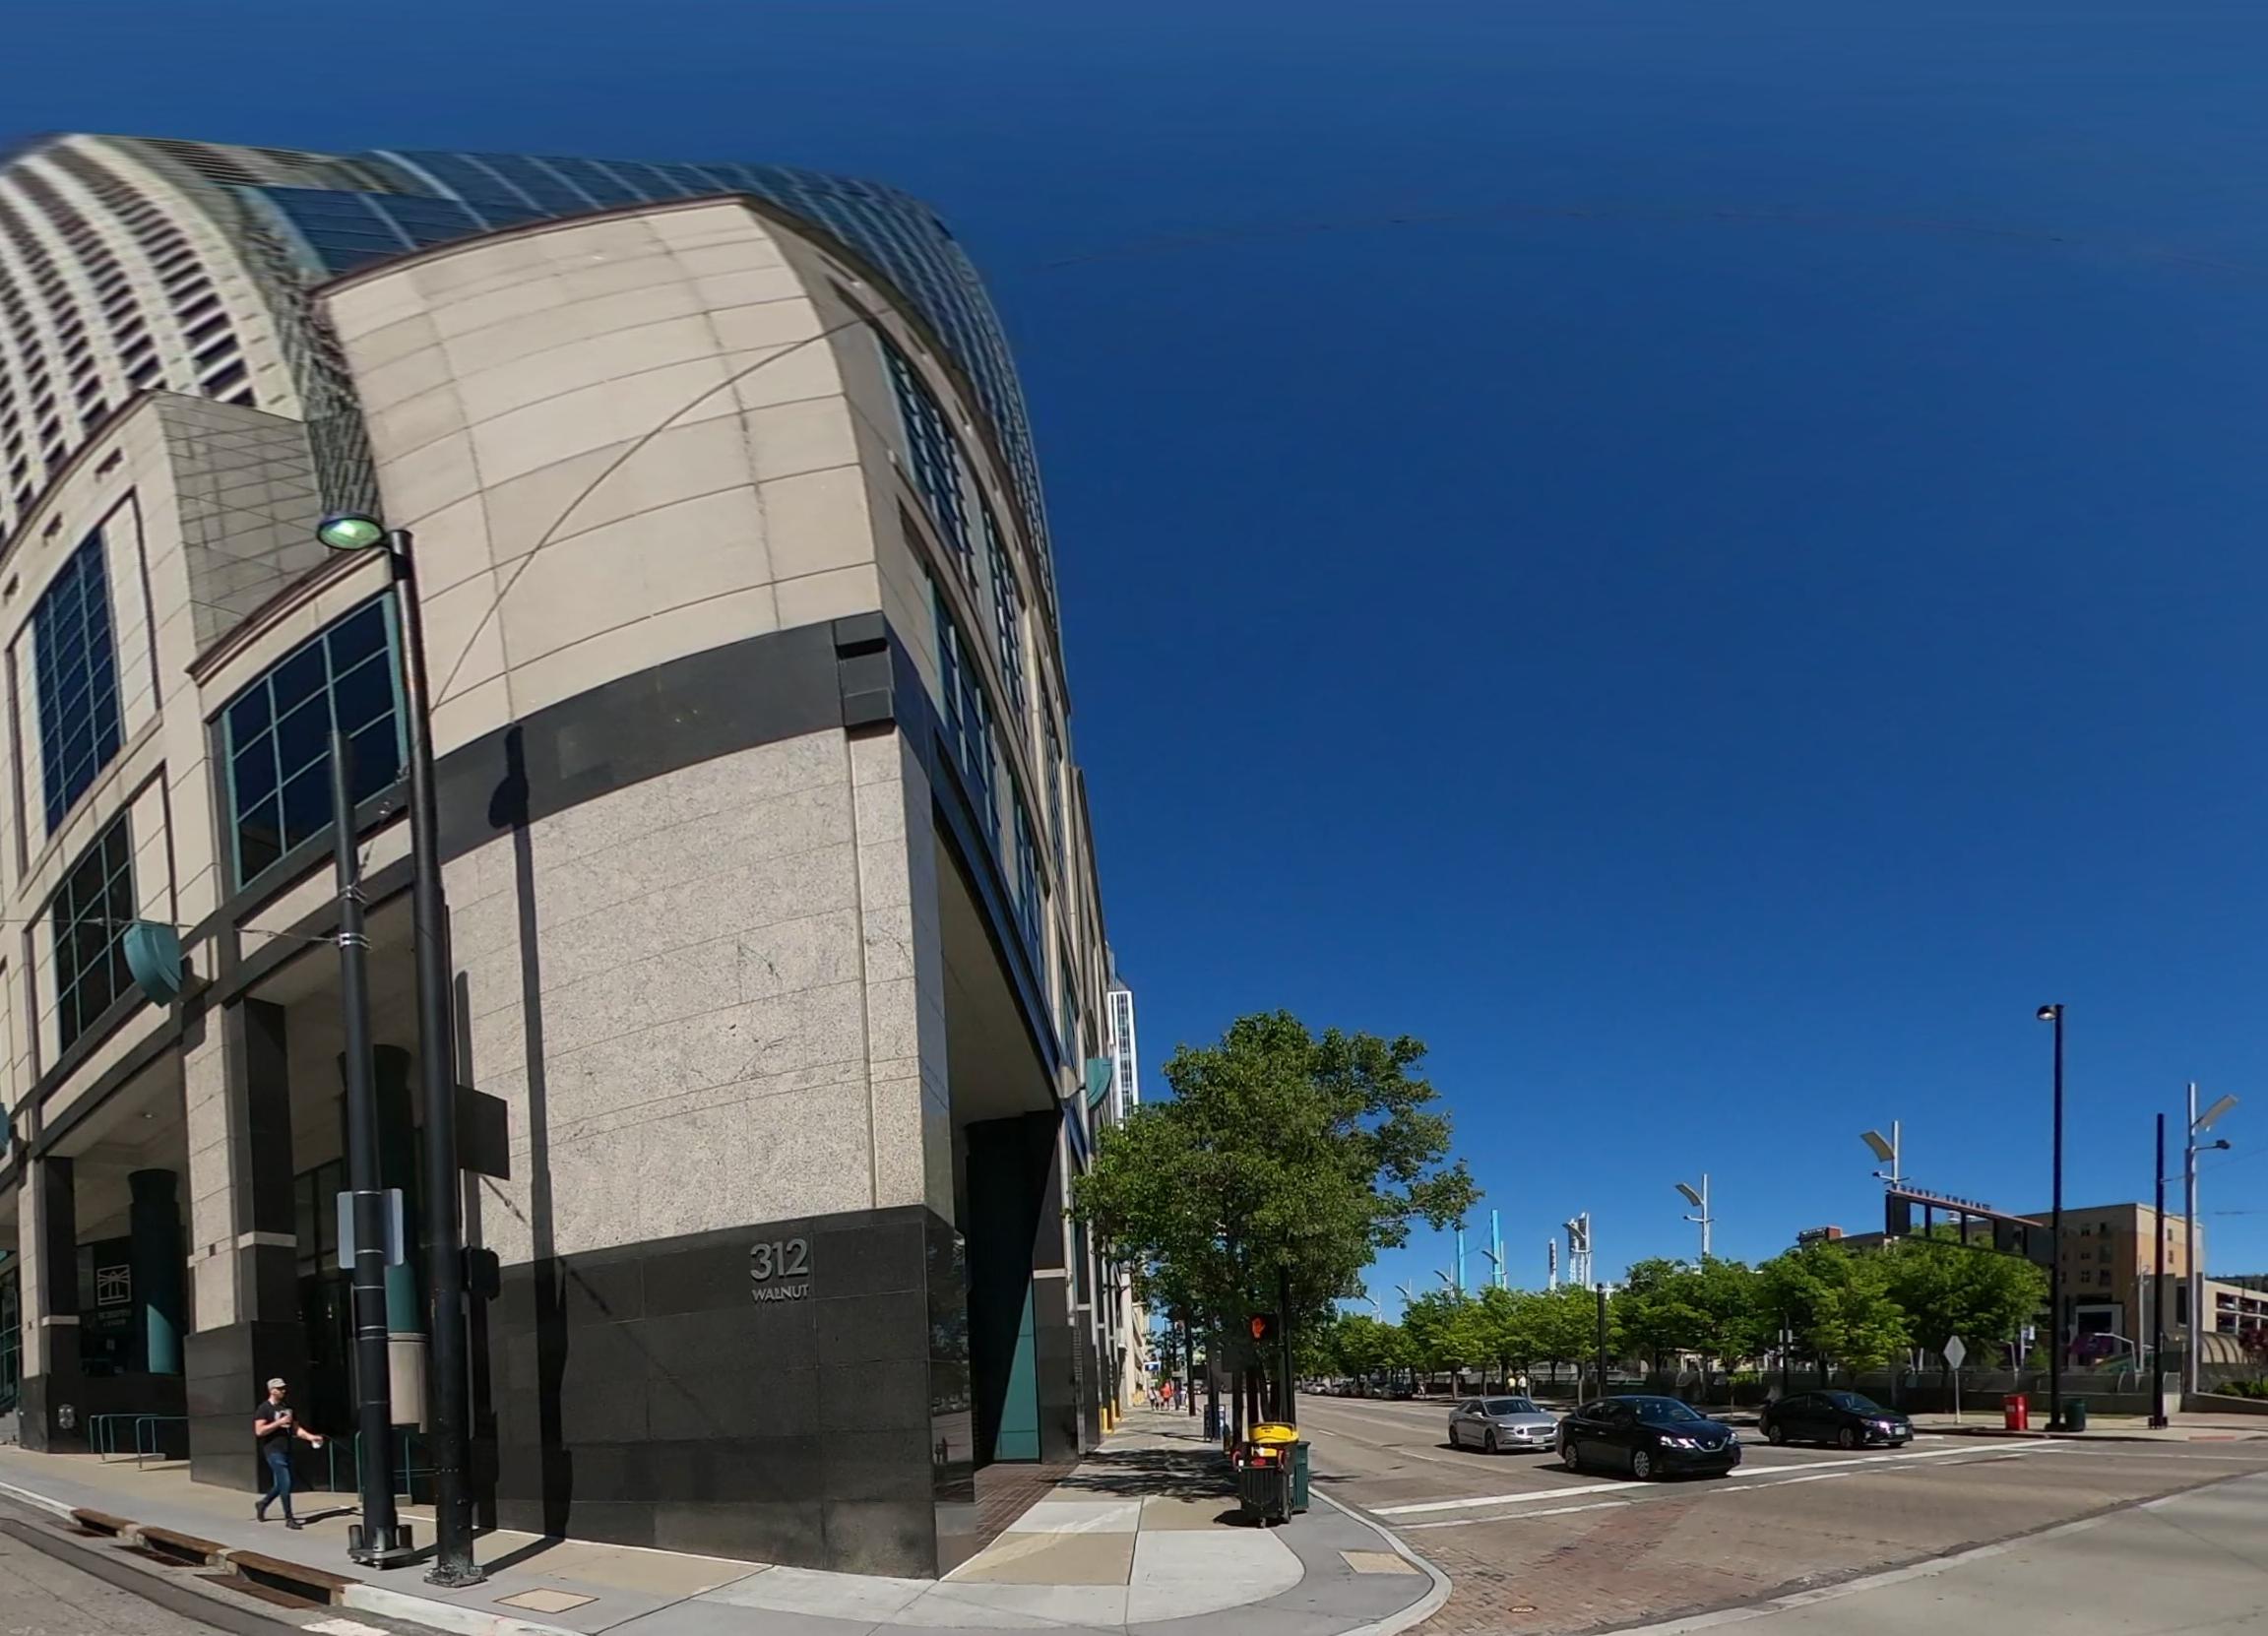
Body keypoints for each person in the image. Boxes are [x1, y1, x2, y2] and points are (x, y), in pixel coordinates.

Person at [254, 1378, 323, 1529]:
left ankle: (263, 1503)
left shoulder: (288, 1408)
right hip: (273, 1450)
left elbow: (296, 1429)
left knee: (281, 1483)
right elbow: (259, 1431)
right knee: (286, 1482)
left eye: (284, 1388)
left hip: (287, 1449)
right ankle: (289, 1518)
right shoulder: (264, 1409)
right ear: (272, 1390)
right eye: (279, 1389)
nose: (283, 1391)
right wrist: (278, 1423)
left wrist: (311, 1437)